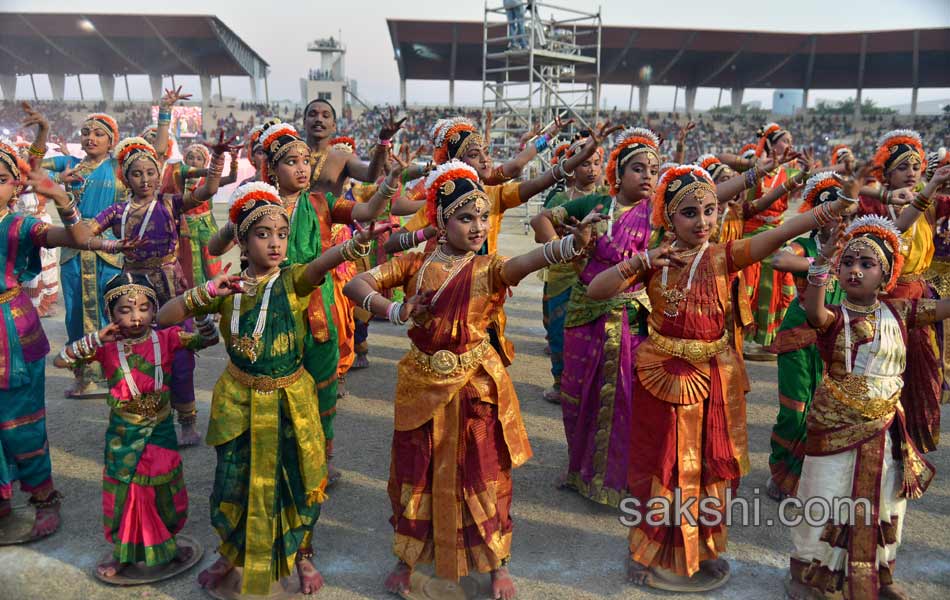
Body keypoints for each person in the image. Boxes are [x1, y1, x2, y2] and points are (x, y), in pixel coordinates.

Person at [586, 164, 855, 593]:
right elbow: (595, 290)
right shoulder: (656, 260)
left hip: (713, 378)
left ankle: (701, 550)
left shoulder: (722, 256)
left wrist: (831, 210)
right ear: (669, 218)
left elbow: (777, 236)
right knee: (663, 466)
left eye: (710, 211)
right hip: (663, 379)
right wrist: (638, 261)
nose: (704, 222)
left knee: (710, 468)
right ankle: (649, 550)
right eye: (690, 213)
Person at [343, 160, 601, 600]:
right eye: (466, 217)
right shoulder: (415, 264)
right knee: (416, 471)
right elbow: (358, 283)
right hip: (422, 384)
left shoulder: (489, 268)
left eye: (483, 217)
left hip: (476, 388)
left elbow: (525, 261)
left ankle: (495, 561)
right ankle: (409, 558)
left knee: (484, 472)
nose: (479, 226)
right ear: (442, 221)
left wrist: (567, 248)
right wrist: (396, 311)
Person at [157, 182, 390, 596]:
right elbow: (163, 316)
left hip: (290, 398)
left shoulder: (294, 280)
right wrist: (207, 292)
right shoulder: (227, 289)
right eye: (264, 235)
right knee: (233, 478)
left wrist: (356, 244)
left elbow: (322, 263)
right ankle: (231, 552)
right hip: (240, 399)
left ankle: (302, 553)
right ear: (243, 245)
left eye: (282, 234)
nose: (276, 243)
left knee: (297, 477)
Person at [207, 122, 409, 484]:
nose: (301, 168)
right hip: (272, 305)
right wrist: (243, 212)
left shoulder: (322, 202)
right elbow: (215, 247)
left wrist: (391, 181)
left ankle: (322, 457)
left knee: (321, 383)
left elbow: (365, 213)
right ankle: (277, 459)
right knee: (274, 383)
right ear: (272, 167)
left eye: (305, 160)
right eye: (290, 161)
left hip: (318, 302)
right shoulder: (258, 205)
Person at [785, 170, 950, 598]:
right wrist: (821, 260)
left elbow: (944, 307)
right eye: (848, 263)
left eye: (867, 263)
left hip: (885, 430)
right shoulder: (834, 317)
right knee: (824, 498)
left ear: (888, 272)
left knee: (885, 502)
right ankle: (805, 575)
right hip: (834, 427)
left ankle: (877, 574)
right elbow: (814, 310)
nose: (855, 271)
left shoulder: (902, 313)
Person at [53, 274, 218, 579]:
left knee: (164, 489)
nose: (136, 317)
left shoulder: (166, 338)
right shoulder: (105, 347)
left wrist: (204, 317)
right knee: (126, 494)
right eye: (125, 311)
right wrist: (95, 339)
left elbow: (207, 341)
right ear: (110, 315)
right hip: (124, 434)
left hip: (161, 429)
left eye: (144, 308)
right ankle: (123, 553)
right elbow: (60, 361)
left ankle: (166, 544)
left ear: (154, 310)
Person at [530, 126, 656, 506]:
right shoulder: (596, 205)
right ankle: (579, 471)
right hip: (584, 315)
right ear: (618, 173)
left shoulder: (661, 214)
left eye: (653, 168)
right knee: (578, 395)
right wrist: (567, 247)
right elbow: (540, 222)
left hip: (632, 317)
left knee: (624, 398)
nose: (647, 175)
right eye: (638, 168)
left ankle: (617, 478)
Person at [85, 136, 230, 446]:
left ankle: (187, 421)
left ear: (158, 173)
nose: (145, 179)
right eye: (137, 173)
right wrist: (110, 244)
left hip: (170, 284)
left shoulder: (168, 201)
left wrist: (216, 160)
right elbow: (83, 235)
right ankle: (144, 417)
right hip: (134, 292)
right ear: (126, 177)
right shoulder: (117, 211)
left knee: (180, 354)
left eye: (150, 172)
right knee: (138, 356)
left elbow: (208, 191)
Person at [0, 130, 94, 543]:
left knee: (20, 422)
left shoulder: (20, 225)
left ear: (15, 186)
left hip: (13, 335)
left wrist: (61, 198)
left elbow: (78, 239)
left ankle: (43, 497)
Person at [765, 172, 854, 501]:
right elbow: (778, 259)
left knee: (825, 409)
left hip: (833, 336)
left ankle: (812, 477)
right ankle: (782, 471)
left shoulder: (853, 252)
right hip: (798, 335)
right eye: (830, 210)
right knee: (795, 409)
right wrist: (821, 262)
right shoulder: (803, 245)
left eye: (843, 211)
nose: (838, 217)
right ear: (817, 214)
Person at [858, 129, 940, 453]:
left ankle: (911, 444)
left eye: (916, 167)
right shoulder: (878, 207)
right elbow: (898, 228)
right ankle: (885, 438)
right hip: (891, 302)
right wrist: (926, 190)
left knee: (923, 371)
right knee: (889, 371)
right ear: (887, 174)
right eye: (903, 167)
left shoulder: (926, 199)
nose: (911, 173)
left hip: (921, 296)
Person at [539, 137, 606, 403]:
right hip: (561, 273)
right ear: (573, 167)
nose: (591, 169)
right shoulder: (560, 199)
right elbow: (539, 233)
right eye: (584, 164)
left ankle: (589, 384)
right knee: (558, 331)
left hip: (595, 275)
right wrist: (565, 241)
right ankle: (561, 382)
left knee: (592, 333)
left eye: (596, 163)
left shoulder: (607, 198)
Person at [176, 143, 239, 288]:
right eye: (191, 158)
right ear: (185, 160)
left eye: (199, 158)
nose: (194, 161)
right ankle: (196, 298)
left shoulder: (208, 180)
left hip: (206, 226)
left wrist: (234, 161)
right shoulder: (179, 180)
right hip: (186, 230)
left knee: (211, 264)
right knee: (191, 265)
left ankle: (215, 293)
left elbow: (231, 179)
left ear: (205, 162)